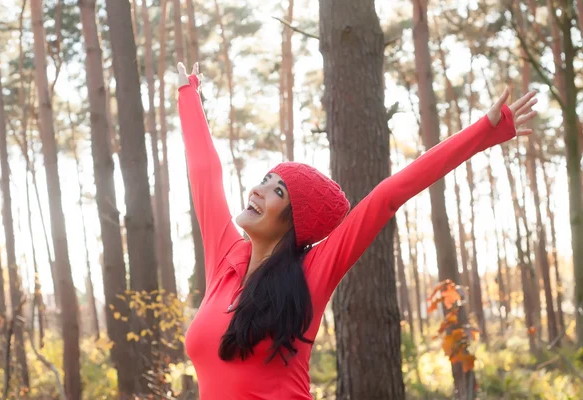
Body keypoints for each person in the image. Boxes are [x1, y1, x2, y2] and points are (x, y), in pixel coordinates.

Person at [176, 62, 537, 399]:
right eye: (264, 180)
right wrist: (189, 97)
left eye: (277, 191)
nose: (258, 190)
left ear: (294, 221)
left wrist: (484, 131)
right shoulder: (226, 258)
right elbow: (205, 174)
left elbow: (387, 196)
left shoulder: (311, 273)